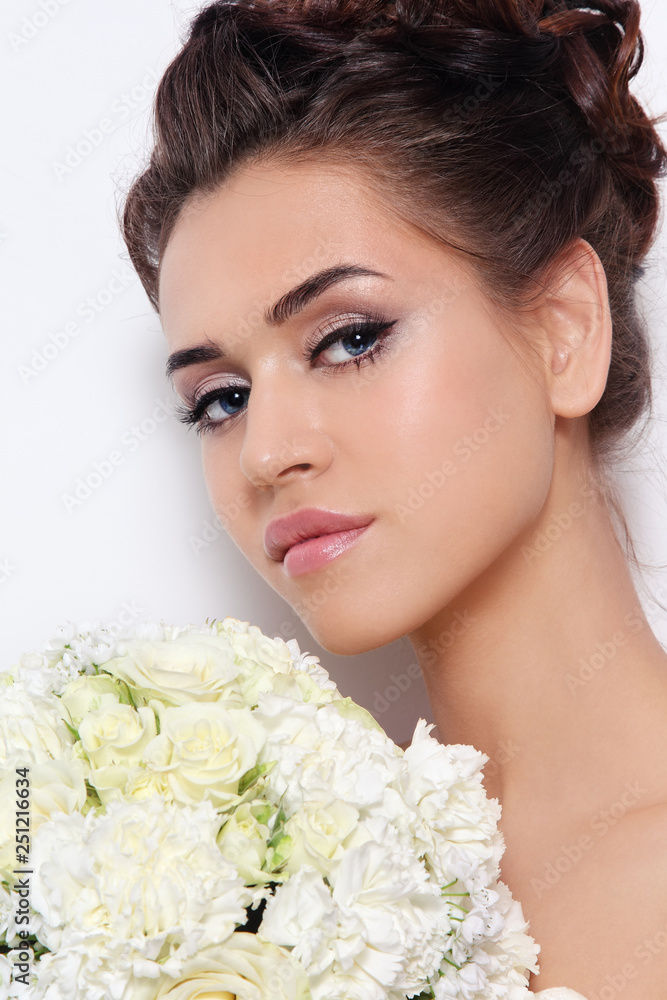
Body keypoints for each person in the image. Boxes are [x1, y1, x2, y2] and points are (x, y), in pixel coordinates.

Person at [119, 0, 667, 995]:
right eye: (221, 399)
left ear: (562, 329)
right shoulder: (249, 902)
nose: (267, 453)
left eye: (349, 339)